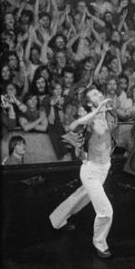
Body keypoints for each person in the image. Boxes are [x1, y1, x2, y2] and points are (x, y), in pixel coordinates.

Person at [49, 85, 116, 259]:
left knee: (81, 196)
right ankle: (100, 244)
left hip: (104, 167)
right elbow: (73, 126)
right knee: (106, 211)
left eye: (99, 92)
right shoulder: (86, 119)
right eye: (94, 94)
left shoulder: (109, 112)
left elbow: (131, 113)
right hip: (91, 171)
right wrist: (95, 112)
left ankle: (57, 220)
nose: (99, 94)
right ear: (88, 102)